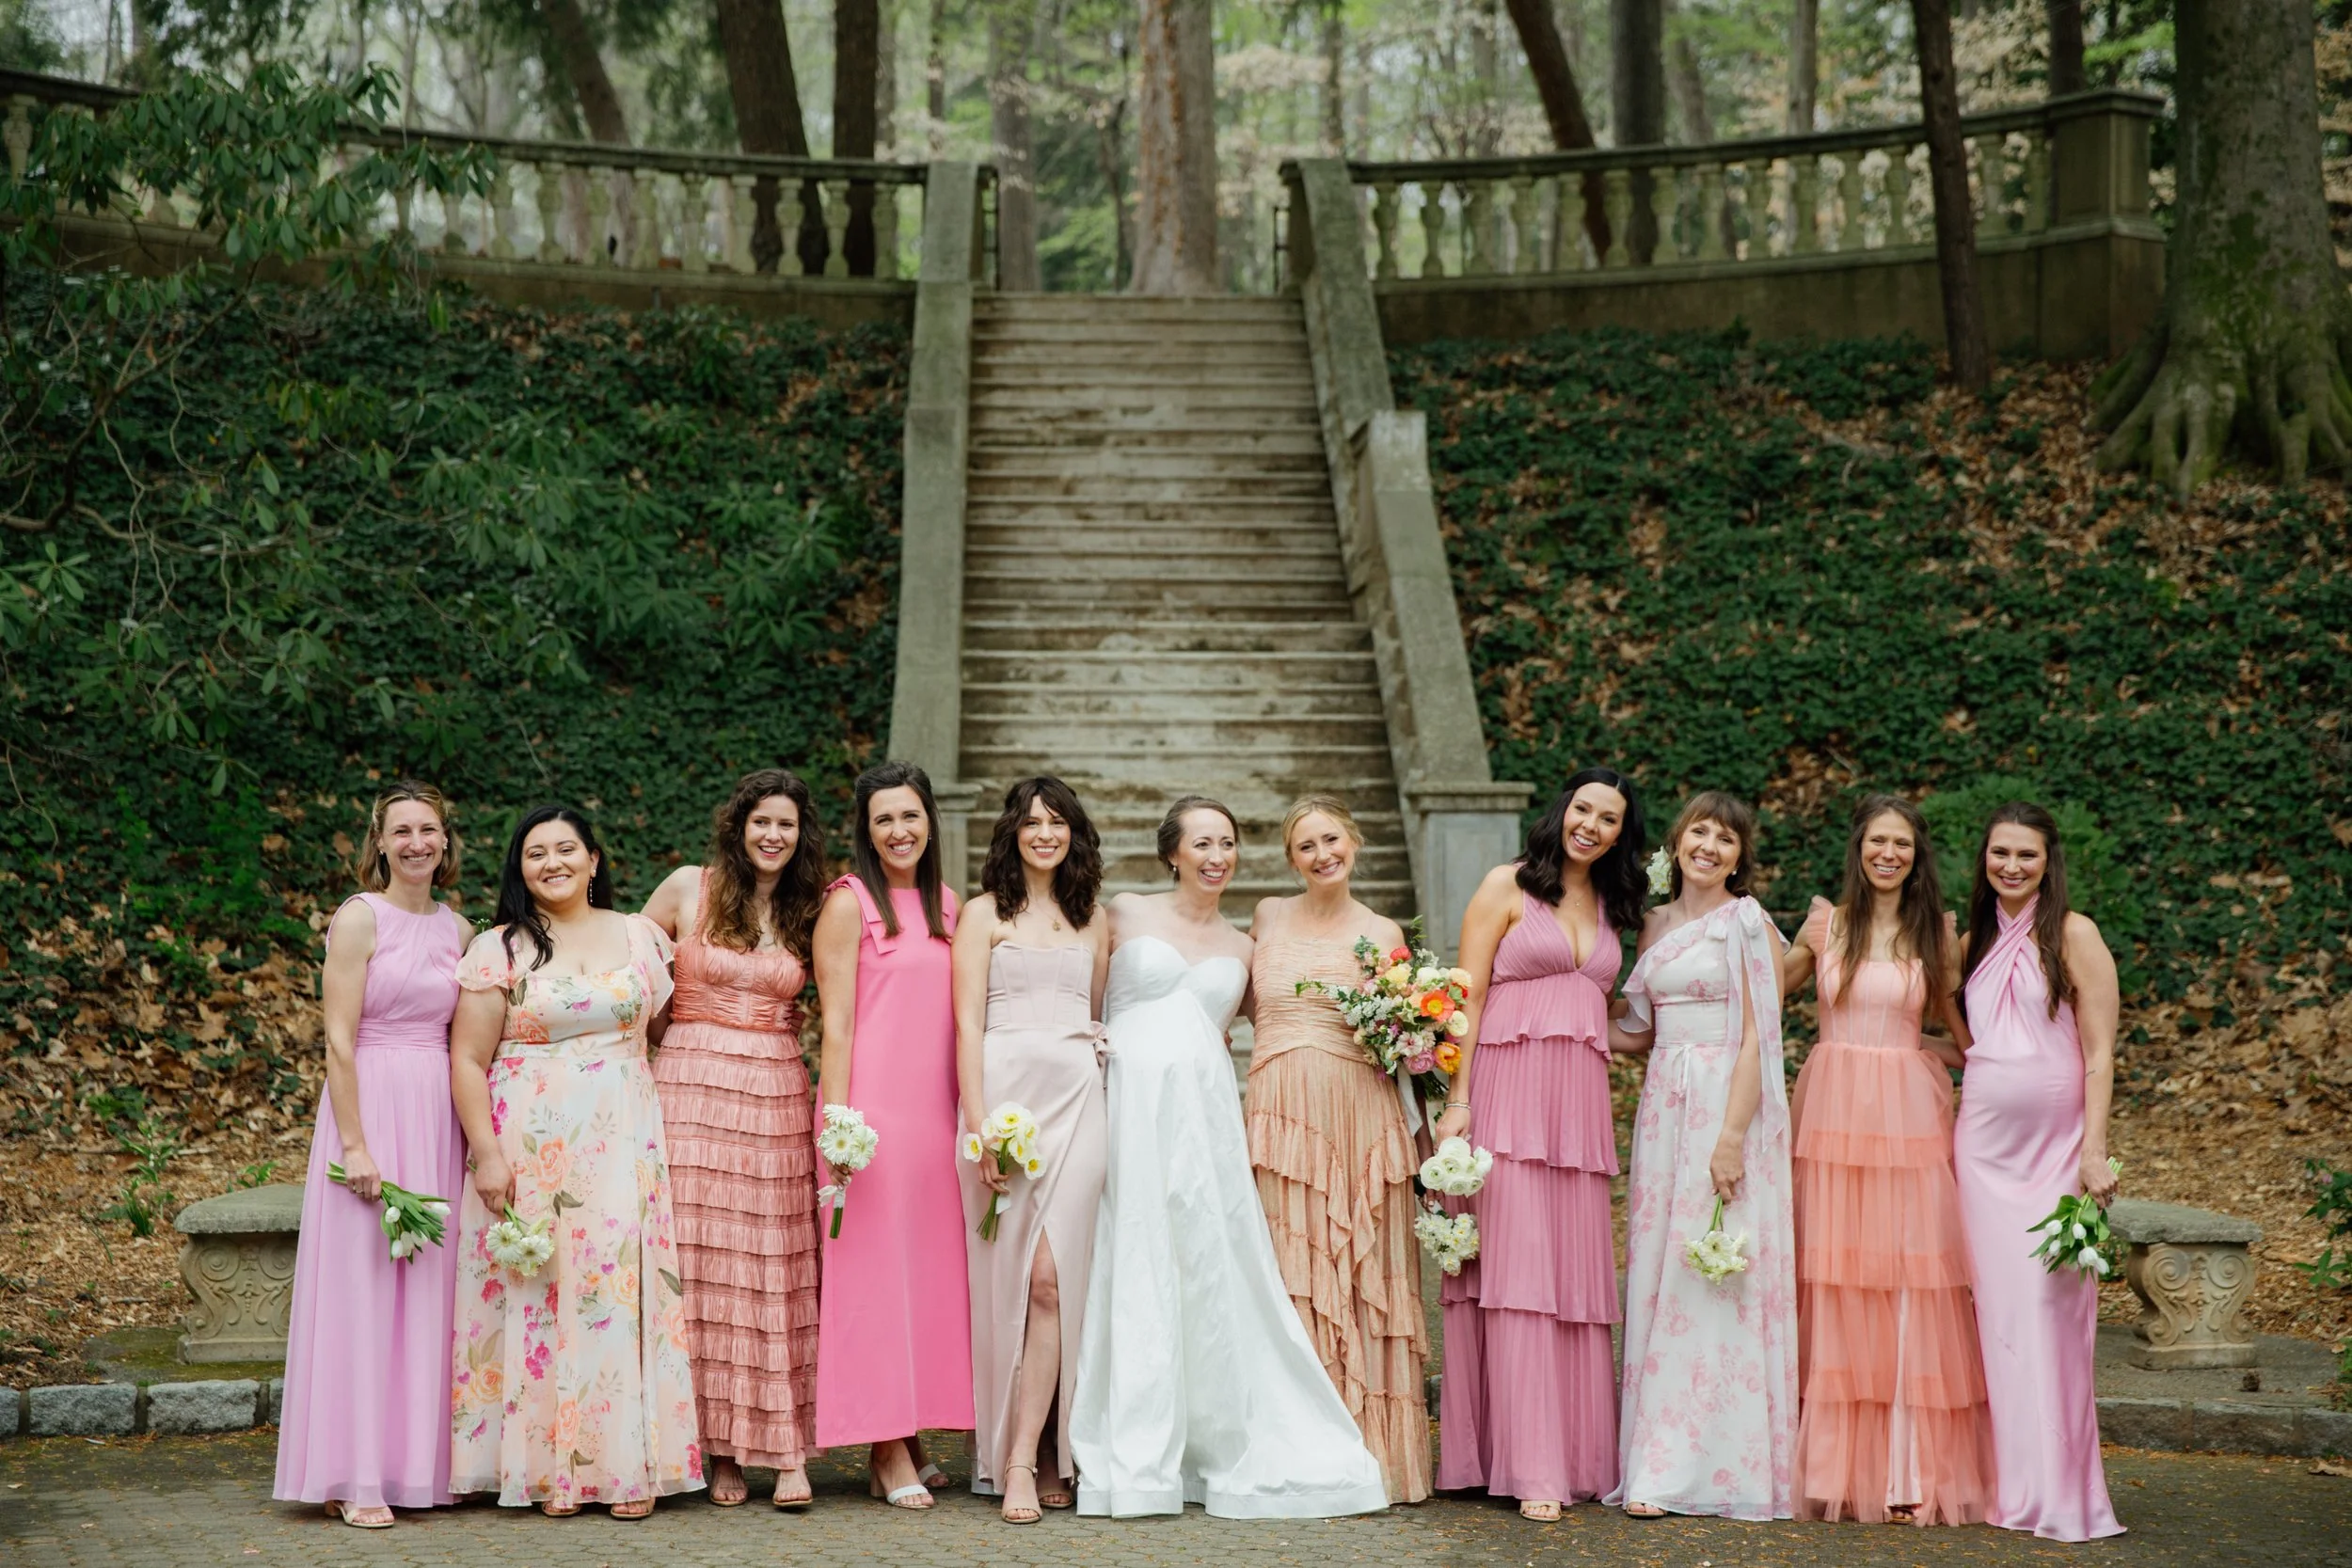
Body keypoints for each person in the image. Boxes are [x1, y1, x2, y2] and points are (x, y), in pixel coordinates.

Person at [1069, 797, 1388, 1520]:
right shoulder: (1122, 913)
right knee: (1135, 1252)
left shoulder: (1247, 946)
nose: (1217, 856)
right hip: (1128, 1106)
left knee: (1207, 1262)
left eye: (1228, 843)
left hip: (1205, 1120)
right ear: (1172, 852)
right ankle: (1138, 1451)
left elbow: (1291, 1011)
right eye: (1202, 843)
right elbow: (1085, 1004)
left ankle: (1214, 1438)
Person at [446, 805, 703, 1518]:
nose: (552, 862)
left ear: (596, 858)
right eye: (536, 853)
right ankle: (539, 1468)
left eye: (566, 849)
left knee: (613, 1295)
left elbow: (659, 1031)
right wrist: (486, 1154)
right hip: (529, 1142)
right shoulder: (499, 947)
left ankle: (621, 1468)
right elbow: (468, 1057)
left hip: (621, 1139)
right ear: (519, 868)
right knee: (539, 1291)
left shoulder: (642, 936)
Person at [1434, 769, 1645, 1520]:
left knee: (1572, 1279)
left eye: (1609, 817)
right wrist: (1457, 1101)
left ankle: (1579, 1456)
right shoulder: (1507, 885)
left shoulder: (1618, 905)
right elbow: (1468, 996)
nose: (1591, 824)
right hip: (1508, 1100)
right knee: (1518, 1273)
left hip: (1578, 1117)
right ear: (1562, 812)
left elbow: (1611, 1015)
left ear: (1623, 833)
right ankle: (1529, 1466)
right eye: (1583, 808)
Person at [1780, 794, 1994, 1526]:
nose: (1889, 853)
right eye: (1878, 840)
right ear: (1859, 847)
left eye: (1902, 842)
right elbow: (1765, 992)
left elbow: (1964, 1040)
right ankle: (1837, 1466)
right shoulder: (1826, 922)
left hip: (1905, 1121)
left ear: (1917, 853)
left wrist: (1908, 1058)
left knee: (1906, 1283)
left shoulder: (1939, 934)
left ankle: (1908, 1470)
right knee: (1836, 1280)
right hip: (1833, 1118)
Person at [276, 782, 470, 1528]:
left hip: (434, 1112)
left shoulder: (457, 928)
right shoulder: (359, 919)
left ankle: (412, 1468)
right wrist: (355, 1143)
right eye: (402, 831)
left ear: (445, 841)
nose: (417, 842)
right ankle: (352, 1474)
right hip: (371, 1108)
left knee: (425, 1291)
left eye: (429, 829)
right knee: (362, 1291)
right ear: (380, 842)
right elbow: (337, 1037)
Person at [1608, 791, 1797, 1521]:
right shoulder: (1653, 923)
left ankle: (1712, 1463)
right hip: (1664, 1111)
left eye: (1726, 838)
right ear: (1676, 844)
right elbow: (1637, 1032)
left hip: (1728, 1103)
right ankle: (1657, 1452)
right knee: (1665, 1273)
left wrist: (1730, 1135)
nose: (1710, 846)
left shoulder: (1746, 923)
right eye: (1699, 832)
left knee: (1717, 1276)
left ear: (1740, 856)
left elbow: (1760, 1034)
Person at [641, 768, 827, 1509]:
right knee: (700, 1264)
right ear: (738, 826)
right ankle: (715, 1450)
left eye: (785, 823)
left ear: (799, 833)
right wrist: (652, 1035)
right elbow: (619, 961)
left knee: (771, 1265)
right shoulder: (689, 886)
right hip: (689, 1087)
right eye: (760, 822)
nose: (772, 835)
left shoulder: (812, 908)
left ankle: (782, 1447)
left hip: (775, 1093)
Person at [1247, 795, 1428, 1505]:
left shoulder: (1383, 932)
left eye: (1331, 839)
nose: (1322, 854)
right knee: (1285, 1270)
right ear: (1290, 859)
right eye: (1305, 846)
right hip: (1279, 1111)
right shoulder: (1266, 915)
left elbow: (1408, 1039)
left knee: (1357, 1275)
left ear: (1353, 841)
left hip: (1356, 1114)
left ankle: (1370, 1448)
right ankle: (1295, 1440)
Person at [1952, 801, 2125, 1542]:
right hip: (1982, 1153)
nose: (2011, 866)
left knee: (2049, 1312)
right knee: (1996, 1317)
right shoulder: (1972, 939)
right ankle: (2008, 1485)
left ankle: (2062, 1492)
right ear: (1984, 858)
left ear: (2048, 860)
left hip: (2055, 1152)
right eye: (2000, 854)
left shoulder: (2075, 933)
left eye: (2026, 855)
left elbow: (2099, 1052)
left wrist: (2094, 1149)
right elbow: (1966, 1033)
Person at [812, 761, 973, 1509]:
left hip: (935, 1115)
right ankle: (882, 1448)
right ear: (865, 830)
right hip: (870, 1120)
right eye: (883, 819)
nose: (899, 830)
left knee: (925, 1279)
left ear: (930, 820)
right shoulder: (847, 905)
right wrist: (838, 1126)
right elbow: (837, 1023)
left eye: (910, 815)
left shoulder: (949, 905)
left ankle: (908, 1435)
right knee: (872, 1280)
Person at [953, 776, 1111, 1524]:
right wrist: (980, 1124)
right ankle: (1021, 1447)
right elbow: (965, 1026)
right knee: (1007, 1281)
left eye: (1057, 822)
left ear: (1074, 834)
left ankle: (1033, 1455)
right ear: (1011, 833)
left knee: (1052, 1279)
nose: (1044, 833)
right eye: (1031, 821)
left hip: (1080, 1103)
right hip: (1005, 1103)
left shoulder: (1094, 918)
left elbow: (1100, 1013)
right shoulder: (983, 914)